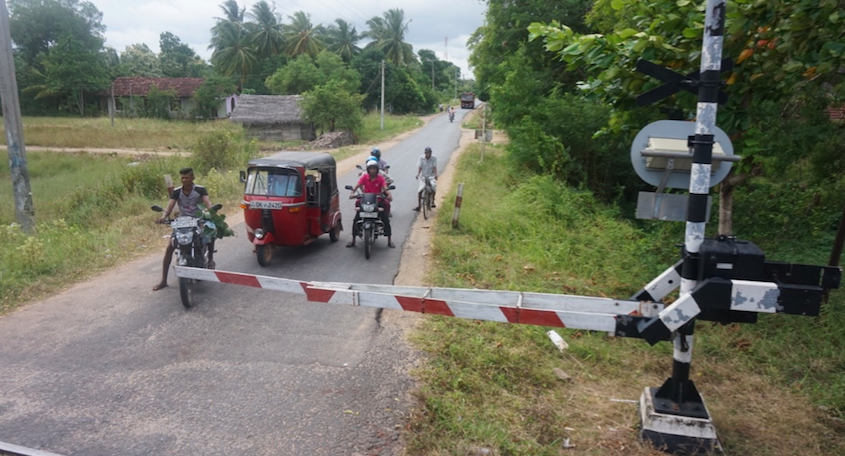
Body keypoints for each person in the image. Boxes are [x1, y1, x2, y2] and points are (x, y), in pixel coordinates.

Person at [153, 167, 215, 291]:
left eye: (187, 177)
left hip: (197, 221)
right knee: (170, 247)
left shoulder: (200, 189)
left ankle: (211, 259)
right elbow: (170, 206)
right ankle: (164, 280)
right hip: (182, 223)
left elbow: (207, 203)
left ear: (193, 178)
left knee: (210, 233)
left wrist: (211, 212)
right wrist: (164, 216)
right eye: (182, 178)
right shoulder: (177, 192)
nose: (184, 180)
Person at [347, 159, 394, 249]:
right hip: (366, 200)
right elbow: (357, 185)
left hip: (377, 200)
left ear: (377, 169)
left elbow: (385, 188)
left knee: (385, 220)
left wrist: (389, 195)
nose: (372, 170)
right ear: (368, 170)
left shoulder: (380, 178)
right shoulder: (364, 177)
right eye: (371, 169)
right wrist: (352, 193)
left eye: (374, 169)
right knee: (356, 219)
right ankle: (353, 240)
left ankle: (389, 240)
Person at [413, 147, 438, 211]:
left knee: (433, 187)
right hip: (423, 176)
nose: (428, 154)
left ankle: (432, 201)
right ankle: (419, 206)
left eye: (429, 153)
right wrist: (418, 174)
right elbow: (420, 167)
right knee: (420, 190)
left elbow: (434, 167)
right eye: (427, 153)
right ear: (425, 153)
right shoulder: (421, 158)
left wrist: (435, 175)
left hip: (431, 176)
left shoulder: (434, 158)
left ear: (431, 153)